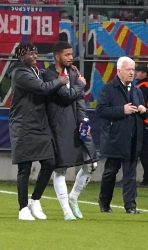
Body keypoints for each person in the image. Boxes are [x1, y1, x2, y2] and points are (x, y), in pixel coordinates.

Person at [8, 42, 66, 221]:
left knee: (49, 162)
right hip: (23, 124)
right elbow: (42, 88)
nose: (34, 56)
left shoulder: (34, 71)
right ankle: (22, 208)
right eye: (30, 54)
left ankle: (35, 200)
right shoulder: (19, 73)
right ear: (20, 57)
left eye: (35, 53)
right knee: (24, 167)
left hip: (39, 124)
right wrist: (60, 81)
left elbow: (46, 79)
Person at [41, 41, 94, 220]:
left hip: (76, 124)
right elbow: (65, 97)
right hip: (59, 125)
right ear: (57, 56)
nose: (71, 58)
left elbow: (79, 100)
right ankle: (66, 211)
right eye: (67, 55)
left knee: (91, 164)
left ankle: (74, 197)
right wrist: (80, 85)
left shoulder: (73, 73)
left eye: (72, 54)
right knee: (60, 169)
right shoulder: (48, 75)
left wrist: (82, 120)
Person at [95, 56, 146, 214]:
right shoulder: (108, 89)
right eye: (128, 69)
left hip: (133, 139)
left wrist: (144, 111)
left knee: (130, 174)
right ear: (119, 71)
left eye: (133, 69)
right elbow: (100, 110)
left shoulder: (137, 91)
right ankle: (104, 202)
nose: (132, 72)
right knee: (110, 172)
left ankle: (130, 206)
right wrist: (121, 110)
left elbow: (142, 112)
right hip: (115, 139)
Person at [134, 64, 148, 186]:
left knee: (142, 149)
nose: (135, 73)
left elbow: (140, 105)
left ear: (144, 74)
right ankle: (147, 178)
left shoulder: (143, 86)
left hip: (143, 120)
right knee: (143, 150)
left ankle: (147, 178)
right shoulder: (146, 85)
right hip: (147, 120)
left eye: (138, 71)